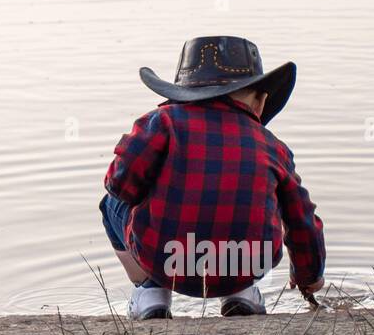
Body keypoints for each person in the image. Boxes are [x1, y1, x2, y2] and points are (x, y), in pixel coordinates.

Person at [100, 36, 325, 319]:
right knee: (274, 201)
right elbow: (303, 220)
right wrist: (309, 277)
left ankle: (150, 291)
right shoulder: (273, 146)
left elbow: (118, 184)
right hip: (244, 265)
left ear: (182, 94)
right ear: (260, 102)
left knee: (111, 204)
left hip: (167, 261)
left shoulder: (163, 122)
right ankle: (241, 291)